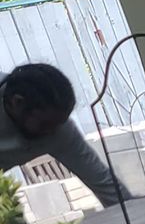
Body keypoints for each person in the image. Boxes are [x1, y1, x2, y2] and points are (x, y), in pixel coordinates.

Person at [0, 61, 129, 209]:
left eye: (58, 124)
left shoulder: (60, 131)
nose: (51, 132)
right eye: (45, 125)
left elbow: (105, 185)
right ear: (17, 102)